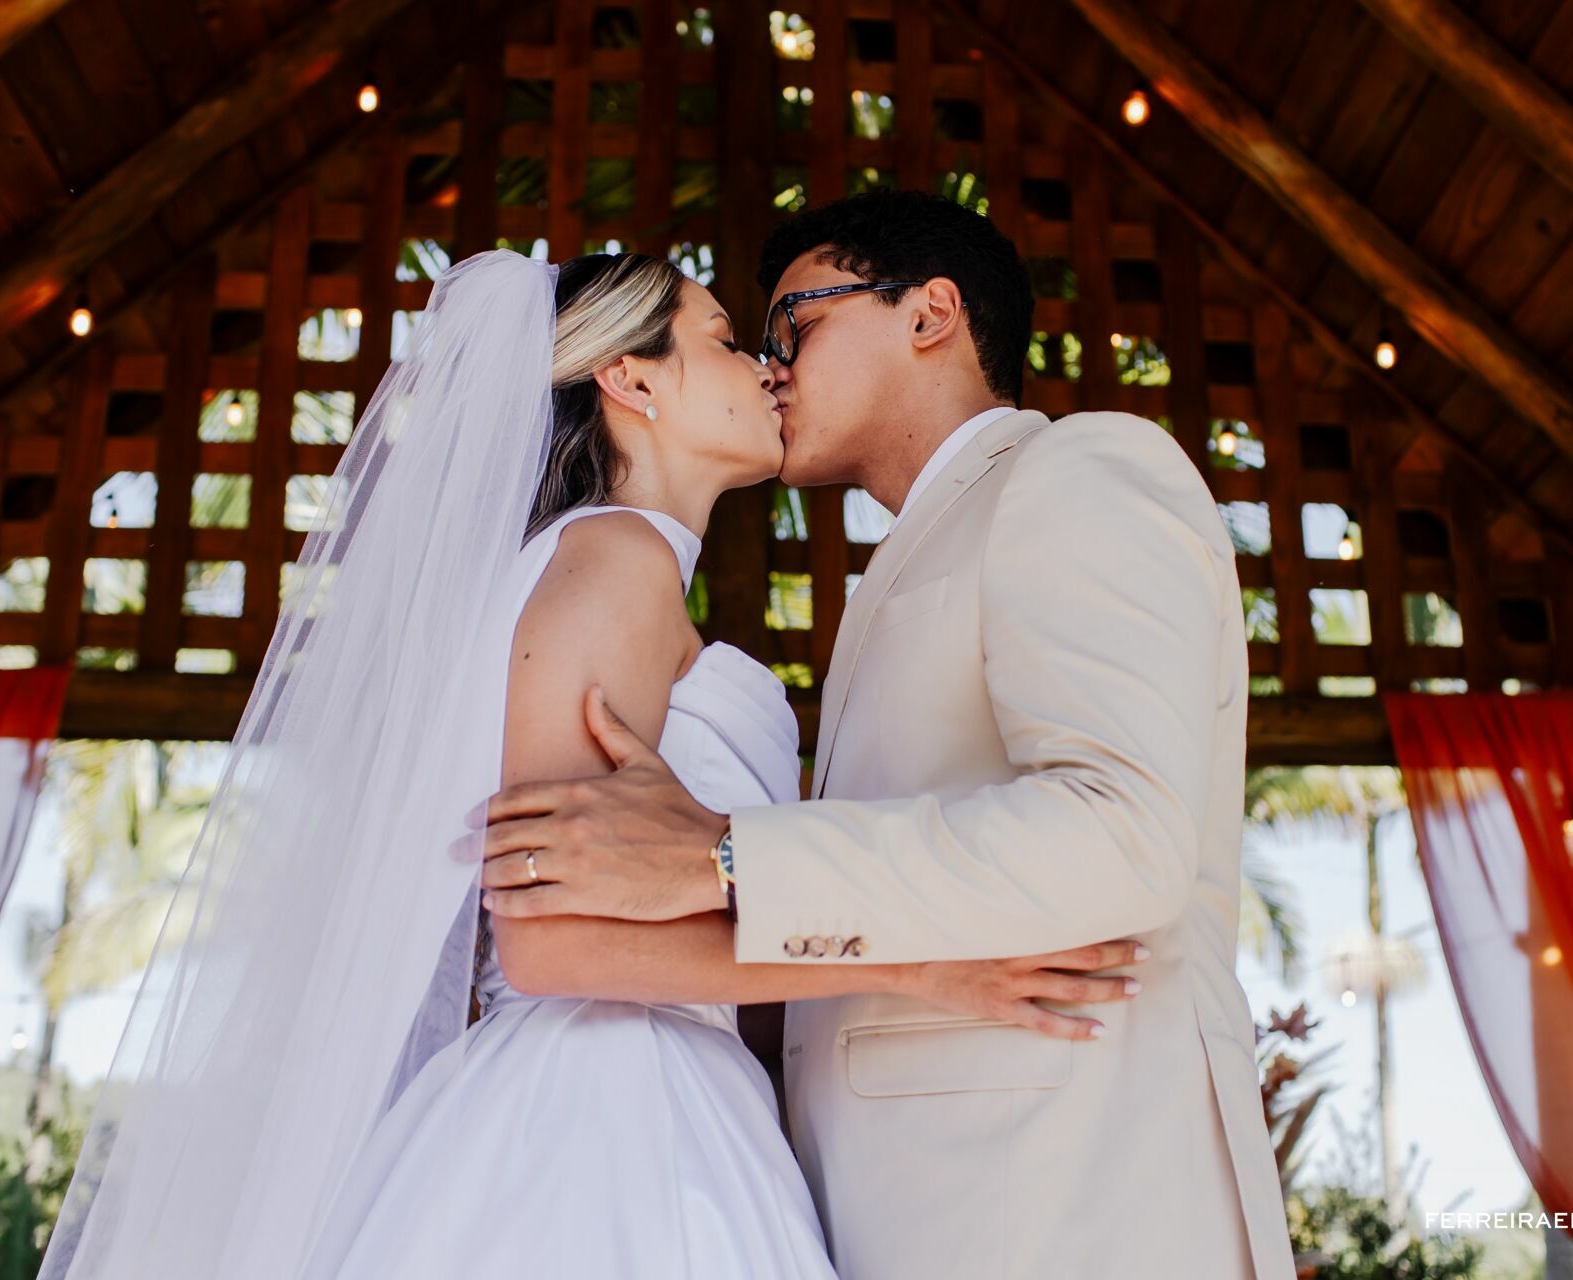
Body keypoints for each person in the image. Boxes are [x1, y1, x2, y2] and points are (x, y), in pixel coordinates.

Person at [37, 246, 1139, 1280]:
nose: (765, 364)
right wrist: (915, 966)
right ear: (633, 379)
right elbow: (553, 936)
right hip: (604, 1115)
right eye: (720, 336)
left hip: (676, 1097)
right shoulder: (613, 557)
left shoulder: (620, 571)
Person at [475, 191, 1302, 1279]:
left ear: (929, 315)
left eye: (791, 327)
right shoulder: (852, 591)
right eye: (745, 342)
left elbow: (1126, 831)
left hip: (1062, 1210)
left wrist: (724, 851)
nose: (770, 368)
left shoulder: (1078, 470)